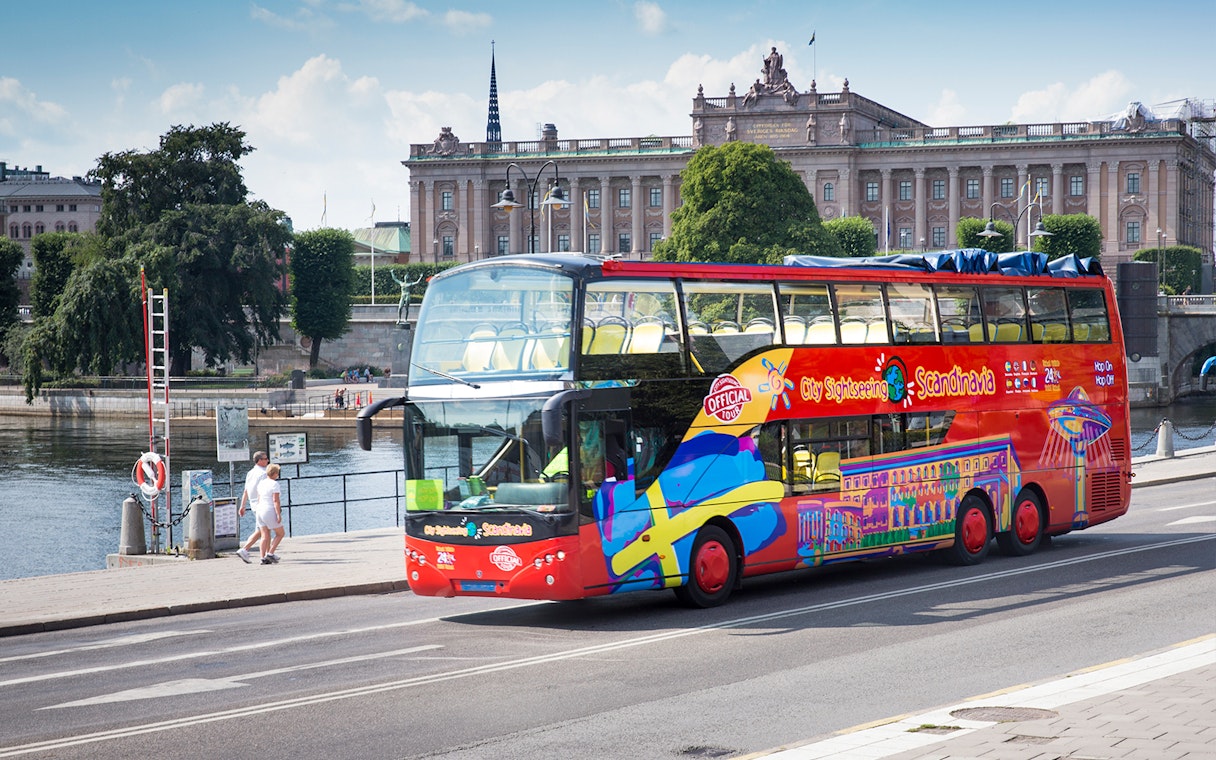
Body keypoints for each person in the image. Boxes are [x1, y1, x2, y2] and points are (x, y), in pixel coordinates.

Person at [235, 451, 269, 563]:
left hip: (253, 503)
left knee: (262, 529)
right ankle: (246, 550)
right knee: (263, 530)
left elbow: (246, 490)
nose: (268, 460)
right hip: (262, 504)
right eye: (265, 458)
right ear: (259, 460)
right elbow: (263, 491)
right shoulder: (264, 473)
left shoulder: (250, 473)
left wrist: (243, 505)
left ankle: (266, 555)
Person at [255, 463, 285, 564]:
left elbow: (259, 498)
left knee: (264, 535)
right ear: (275, 473)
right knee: (280, 533)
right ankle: (270, 553)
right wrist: (278, 514)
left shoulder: (261, 483)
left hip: (260, 510)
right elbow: (275, 500)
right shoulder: (274, 484)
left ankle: (262, 557)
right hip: (269, 510)